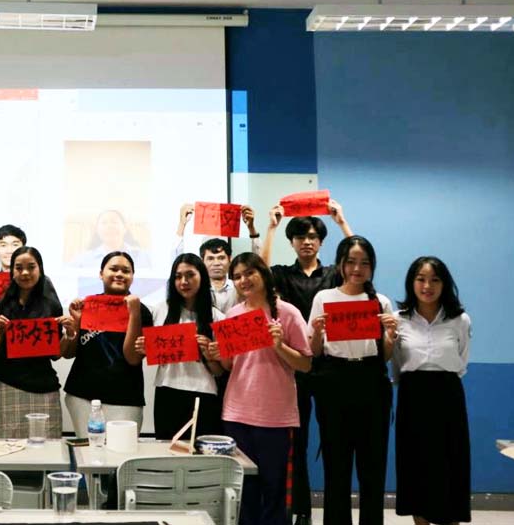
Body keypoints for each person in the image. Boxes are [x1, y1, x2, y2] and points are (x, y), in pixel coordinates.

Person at [259, 202, 353, 525]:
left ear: (321, 242)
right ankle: (300, 511)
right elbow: (260, 273)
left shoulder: (334, 274)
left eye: (313, 236)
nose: (307, 241)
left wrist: (342, 222)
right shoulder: (283, 275)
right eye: (300, 236)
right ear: (292, 242)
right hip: (294, 367)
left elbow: (358, 261)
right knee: (296, 445)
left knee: (333, 442)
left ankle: (334, 514)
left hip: (329, 368)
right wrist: (271, 228)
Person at [206, 252, 312, 525]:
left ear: (263, 273)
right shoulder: (233, 314)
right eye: (237, 276)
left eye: (249, 273)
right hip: (236, 413)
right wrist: (217, 354)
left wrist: (279, 346)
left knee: (274, 489)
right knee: (244, 489)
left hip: (275, 417)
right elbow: (230, 365)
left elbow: (305, 364)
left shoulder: (288, 313)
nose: (244, 280)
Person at [307, 236, 398, 525]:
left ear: (372, 267)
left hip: (371, 382)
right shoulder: (324, 298)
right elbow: (314, 351)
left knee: (373, 465)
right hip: (334, 382)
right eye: (351, 262)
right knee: (336, 465)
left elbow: (384, 356)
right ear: (341, 264)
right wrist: (318, 331)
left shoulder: (380, 301)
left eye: (364, 263)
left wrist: (391, 337)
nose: (357, 269)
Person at [393, 257, 471, 525]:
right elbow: (396, 362)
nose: (427, 286)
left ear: (444, 284)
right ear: (411, 283)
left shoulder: (459, 319)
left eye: (435, 280)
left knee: (452, 463)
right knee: (416, 465)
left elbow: (462, 360)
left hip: (448, 395)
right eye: (421, 279)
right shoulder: (398, 320)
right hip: (412, 396)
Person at [132, 253, 225, 438]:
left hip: (203, 394)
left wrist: (209, 355)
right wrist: (145, 348)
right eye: (178, 276)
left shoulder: (217, 317)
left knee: (199, 452)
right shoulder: (160, 310)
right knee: (166, 449)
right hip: (168, 392)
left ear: (202, 277)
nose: (184, 281)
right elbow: (148, 351)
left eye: (190, 275)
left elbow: (219, 371)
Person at [0, 247, 72, 439]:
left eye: (31, 267)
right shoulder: (1, 305)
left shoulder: (52, 305)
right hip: (9, 386)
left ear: (40, 269)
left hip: (44, 386)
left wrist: (69, 334)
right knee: (8, 447)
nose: (25, 273)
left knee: (47, 448)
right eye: (19, 268)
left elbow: (55, 355)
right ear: (12, 271)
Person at [65, 252, 153, 434]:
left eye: (126, 271)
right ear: (101, 273)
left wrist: (134, 314)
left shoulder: (142, 311)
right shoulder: (87, 306)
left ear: (132, 276)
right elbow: (68, 353)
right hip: (82, 395)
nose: (119, 274)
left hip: (124, 398)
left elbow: (133, 358)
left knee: (122, 447)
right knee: (87, 448)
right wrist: (76, 323)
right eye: (113, 269)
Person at [0, 224, 60, 303]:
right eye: (3, 245)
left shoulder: (40, 280)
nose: (9, 250)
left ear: (23, 248)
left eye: (15, 245)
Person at [71, 209, 152, 268]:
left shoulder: (144, 257)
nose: (109, 226)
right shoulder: (83, 260)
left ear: (125, 228)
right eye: (104, 223)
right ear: (97, 230)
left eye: (114, 222)